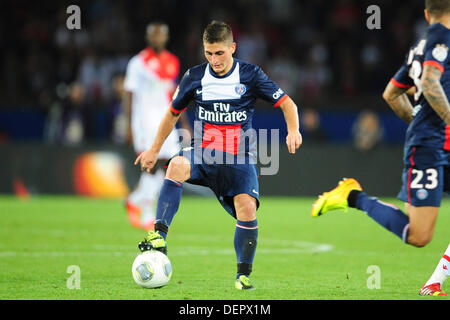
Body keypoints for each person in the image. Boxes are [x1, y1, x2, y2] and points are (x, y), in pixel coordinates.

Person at [134, 20, 302, 290]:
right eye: (209, 53)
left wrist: (293, 130)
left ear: (232, 48)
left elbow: (288, 104)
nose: (214, 60)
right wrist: (154, 150)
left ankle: (243, 274)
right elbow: (172, 113)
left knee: (246, 208)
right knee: (176, 164)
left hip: (239, 157)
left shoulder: (250, 75)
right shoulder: (194, 77)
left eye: (220, 53)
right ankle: (159, 235)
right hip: (204, 153)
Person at [311, 0, 450, 296]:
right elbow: (430, 81)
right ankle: (353, 196)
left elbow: (391, 93)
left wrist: (415, 119)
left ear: (426, 14)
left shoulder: (420, 45)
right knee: (419, 234)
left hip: (434, 140)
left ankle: (435, 281)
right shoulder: (442, 37)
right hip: (430, 145)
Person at [123, 22, 191, 231]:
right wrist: (128, 125)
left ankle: (134, 198)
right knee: (150, 165)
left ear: (166, 37)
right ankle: (146, 213)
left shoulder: (172, 61)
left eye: (161, 35)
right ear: (148, 37)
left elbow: (175, 96)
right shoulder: (138, 63)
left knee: (164, 165)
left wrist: (185, 122)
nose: (157, 39)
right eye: (153, 35)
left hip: (165, 121)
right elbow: (129, 94)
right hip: (144, 121)